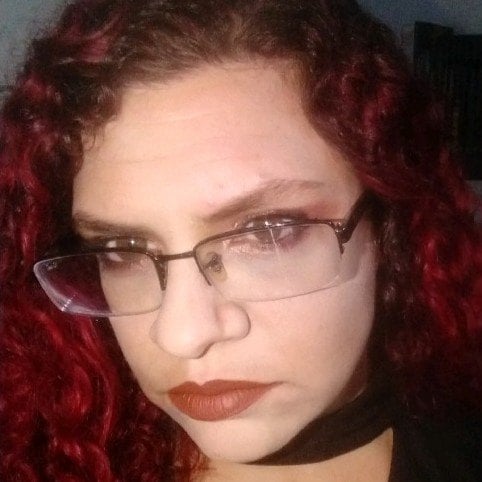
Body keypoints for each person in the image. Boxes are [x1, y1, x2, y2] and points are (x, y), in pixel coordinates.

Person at [1, 0, 481, 480]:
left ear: (389, 229)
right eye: (119, 251)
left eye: (268, 233)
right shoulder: (44, 452)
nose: (182, 336)